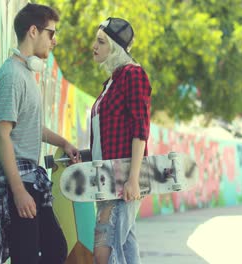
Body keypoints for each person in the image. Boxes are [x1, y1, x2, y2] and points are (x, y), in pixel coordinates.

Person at [0, 3, 80, 264]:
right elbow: (1, 135)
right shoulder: (12, 76)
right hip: (18, 182)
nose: (54, 41)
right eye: (51, 33)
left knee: (55, 249)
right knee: (28, 256)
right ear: (33, 31)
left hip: (31, 180)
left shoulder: (26, 74)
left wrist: (64, 143)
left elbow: (29, 124)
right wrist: (18, 191)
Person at [90, 17, 152, 264]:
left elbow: (140, 130)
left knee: (105, 250)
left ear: (115, 46)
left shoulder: (132, 75)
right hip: (106, 179)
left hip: (122, 180)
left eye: (101, 41)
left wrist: (133, 179)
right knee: (124, 247)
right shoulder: (112, 81)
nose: (94, 46)